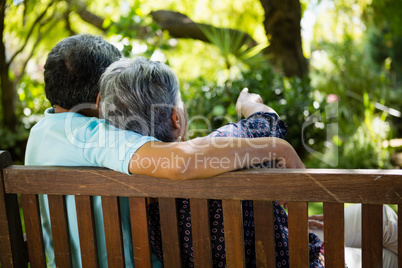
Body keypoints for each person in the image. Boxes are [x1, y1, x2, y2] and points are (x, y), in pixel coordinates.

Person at [25, 34, 305, 267]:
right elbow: (179, 162)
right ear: (101, 97)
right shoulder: (96, 136)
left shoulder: (39, 134)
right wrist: (276, 146)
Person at [99, 57, 398, 268]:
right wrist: (248, 103)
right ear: (176, 119)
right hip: (290, 257)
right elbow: (267, 120)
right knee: (384, 236)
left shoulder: (116, 165)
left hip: (268, 245)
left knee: (380, 221)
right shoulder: (221, 144)